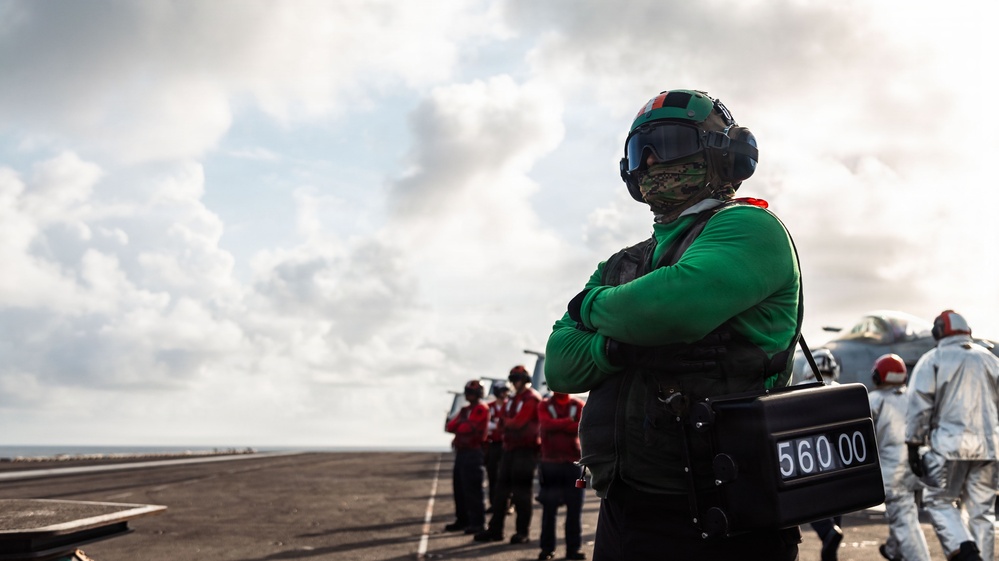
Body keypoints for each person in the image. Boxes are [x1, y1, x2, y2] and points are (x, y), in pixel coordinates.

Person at [545, 89, 802, 560]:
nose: (650, 162)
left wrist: (589, 306)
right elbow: (560, 365)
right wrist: (619, 349)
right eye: (638, 151)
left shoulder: (749, 228)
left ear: (725, 155)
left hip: (727, 512)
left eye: (668, 143)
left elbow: (671, 310)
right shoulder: (623, 263)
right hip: (626, 509)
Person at [905, 310, 999, 561]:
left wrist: (913, 444)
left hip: (948, 447)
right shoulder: (990, 360)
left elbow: (919, 404)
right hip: (990, 448)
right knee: (982, 513)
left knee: (938, 500)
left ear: (939, 332)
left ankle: (965, 551)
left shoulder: (932, 359)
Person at [869, 354, 930, 561]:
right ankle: (893, 551)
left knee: (905, 522)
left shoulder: (873, 400)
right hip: (915, 471)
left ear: (878, 376)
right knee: (905, 514)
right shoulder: (914, 398)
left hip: (891, 475)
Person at [474, 365, 542, 544]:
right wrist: (507, 423)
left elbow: (517, 423)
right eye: (512, 379)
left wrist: (506, 422)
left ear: (525, 380)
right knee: (500, 492)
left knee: (521, 494)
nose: (514, 383)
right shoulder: (513, 399)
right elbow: (503, 422)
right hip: (509, 449)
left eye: (517, 379)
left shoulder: (531, 398)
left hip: (525, 451)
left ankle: (522, 532)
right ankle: (495, 530)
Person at [798, 349, 845, 561]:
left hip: (809, 454)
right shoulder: (843, 391)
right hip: (839, 455)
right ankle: (832, 541)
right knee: (837, 499)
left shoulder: (797, 390)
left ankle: (827, 530)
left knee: (807, 497)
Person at [536, 392, 586, 561]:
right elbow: (545, 424)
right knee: (549, 510)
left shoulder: (578, 405)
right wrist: (568, 422)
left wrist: (557, 425)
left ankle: (572, 550)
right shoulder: (544, 405)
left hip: (570, 464)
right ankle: (547, 548)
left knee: (574, 510)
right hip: (551, 464)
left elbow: (579, 426)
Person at [443, 379, 489, 534]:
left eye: (472, 393)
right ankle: (462, 520)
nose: (468, 395)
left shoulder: (482, 409)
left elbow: (470, 427)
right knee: (460, 488)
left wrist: (462, 424)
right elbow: (450, 426)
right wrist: (463, 424)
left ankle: (478, 523)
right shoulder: (465, 410)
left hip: (473, 452)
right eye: (468, 392)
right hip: (461, 453)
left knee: (473, 490)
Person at [484, 381, 511, 514]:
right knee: (492, 475)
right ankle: (494, 503)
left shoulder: (510, 406)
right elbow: (485, 424)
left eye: (505, 390)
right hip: (493, 445)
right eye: (502, 390)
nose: (504, 393)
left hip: (507, 445)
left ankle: (508, 505)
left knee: (508, 475)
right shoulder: (489, 407)